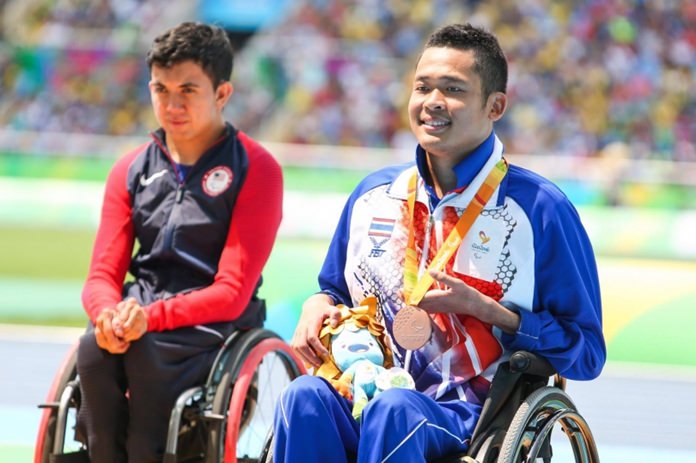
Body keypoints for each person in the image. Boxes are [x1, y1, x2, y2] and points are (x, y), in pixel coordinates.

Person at [274, 23, 605, 463]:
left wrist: (495, 315)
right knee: (303, 396)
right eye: (422, 87)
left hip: (471, 415)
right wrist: (316, 305)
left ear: (496, 105)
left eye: (453, 89)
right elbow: (333, 289)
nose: (432, 101)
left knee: (394, 412)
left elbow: (587, 355)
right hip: (365, 386)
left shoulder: (541, 210)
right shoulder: (373, 195)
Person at [76, 22, 283, 462]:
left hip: (212, 325)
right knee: (93, 349)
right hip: (138, 314)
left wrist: (149, 319)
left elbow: (230, 293)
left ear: (222, 93)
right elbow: (100, 276)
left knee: (146, 353)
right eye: (160, 89)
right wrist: (108, 315)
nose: (171, 104)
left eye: (187, 89)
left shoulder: (256, 169)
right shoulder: (130, 169)